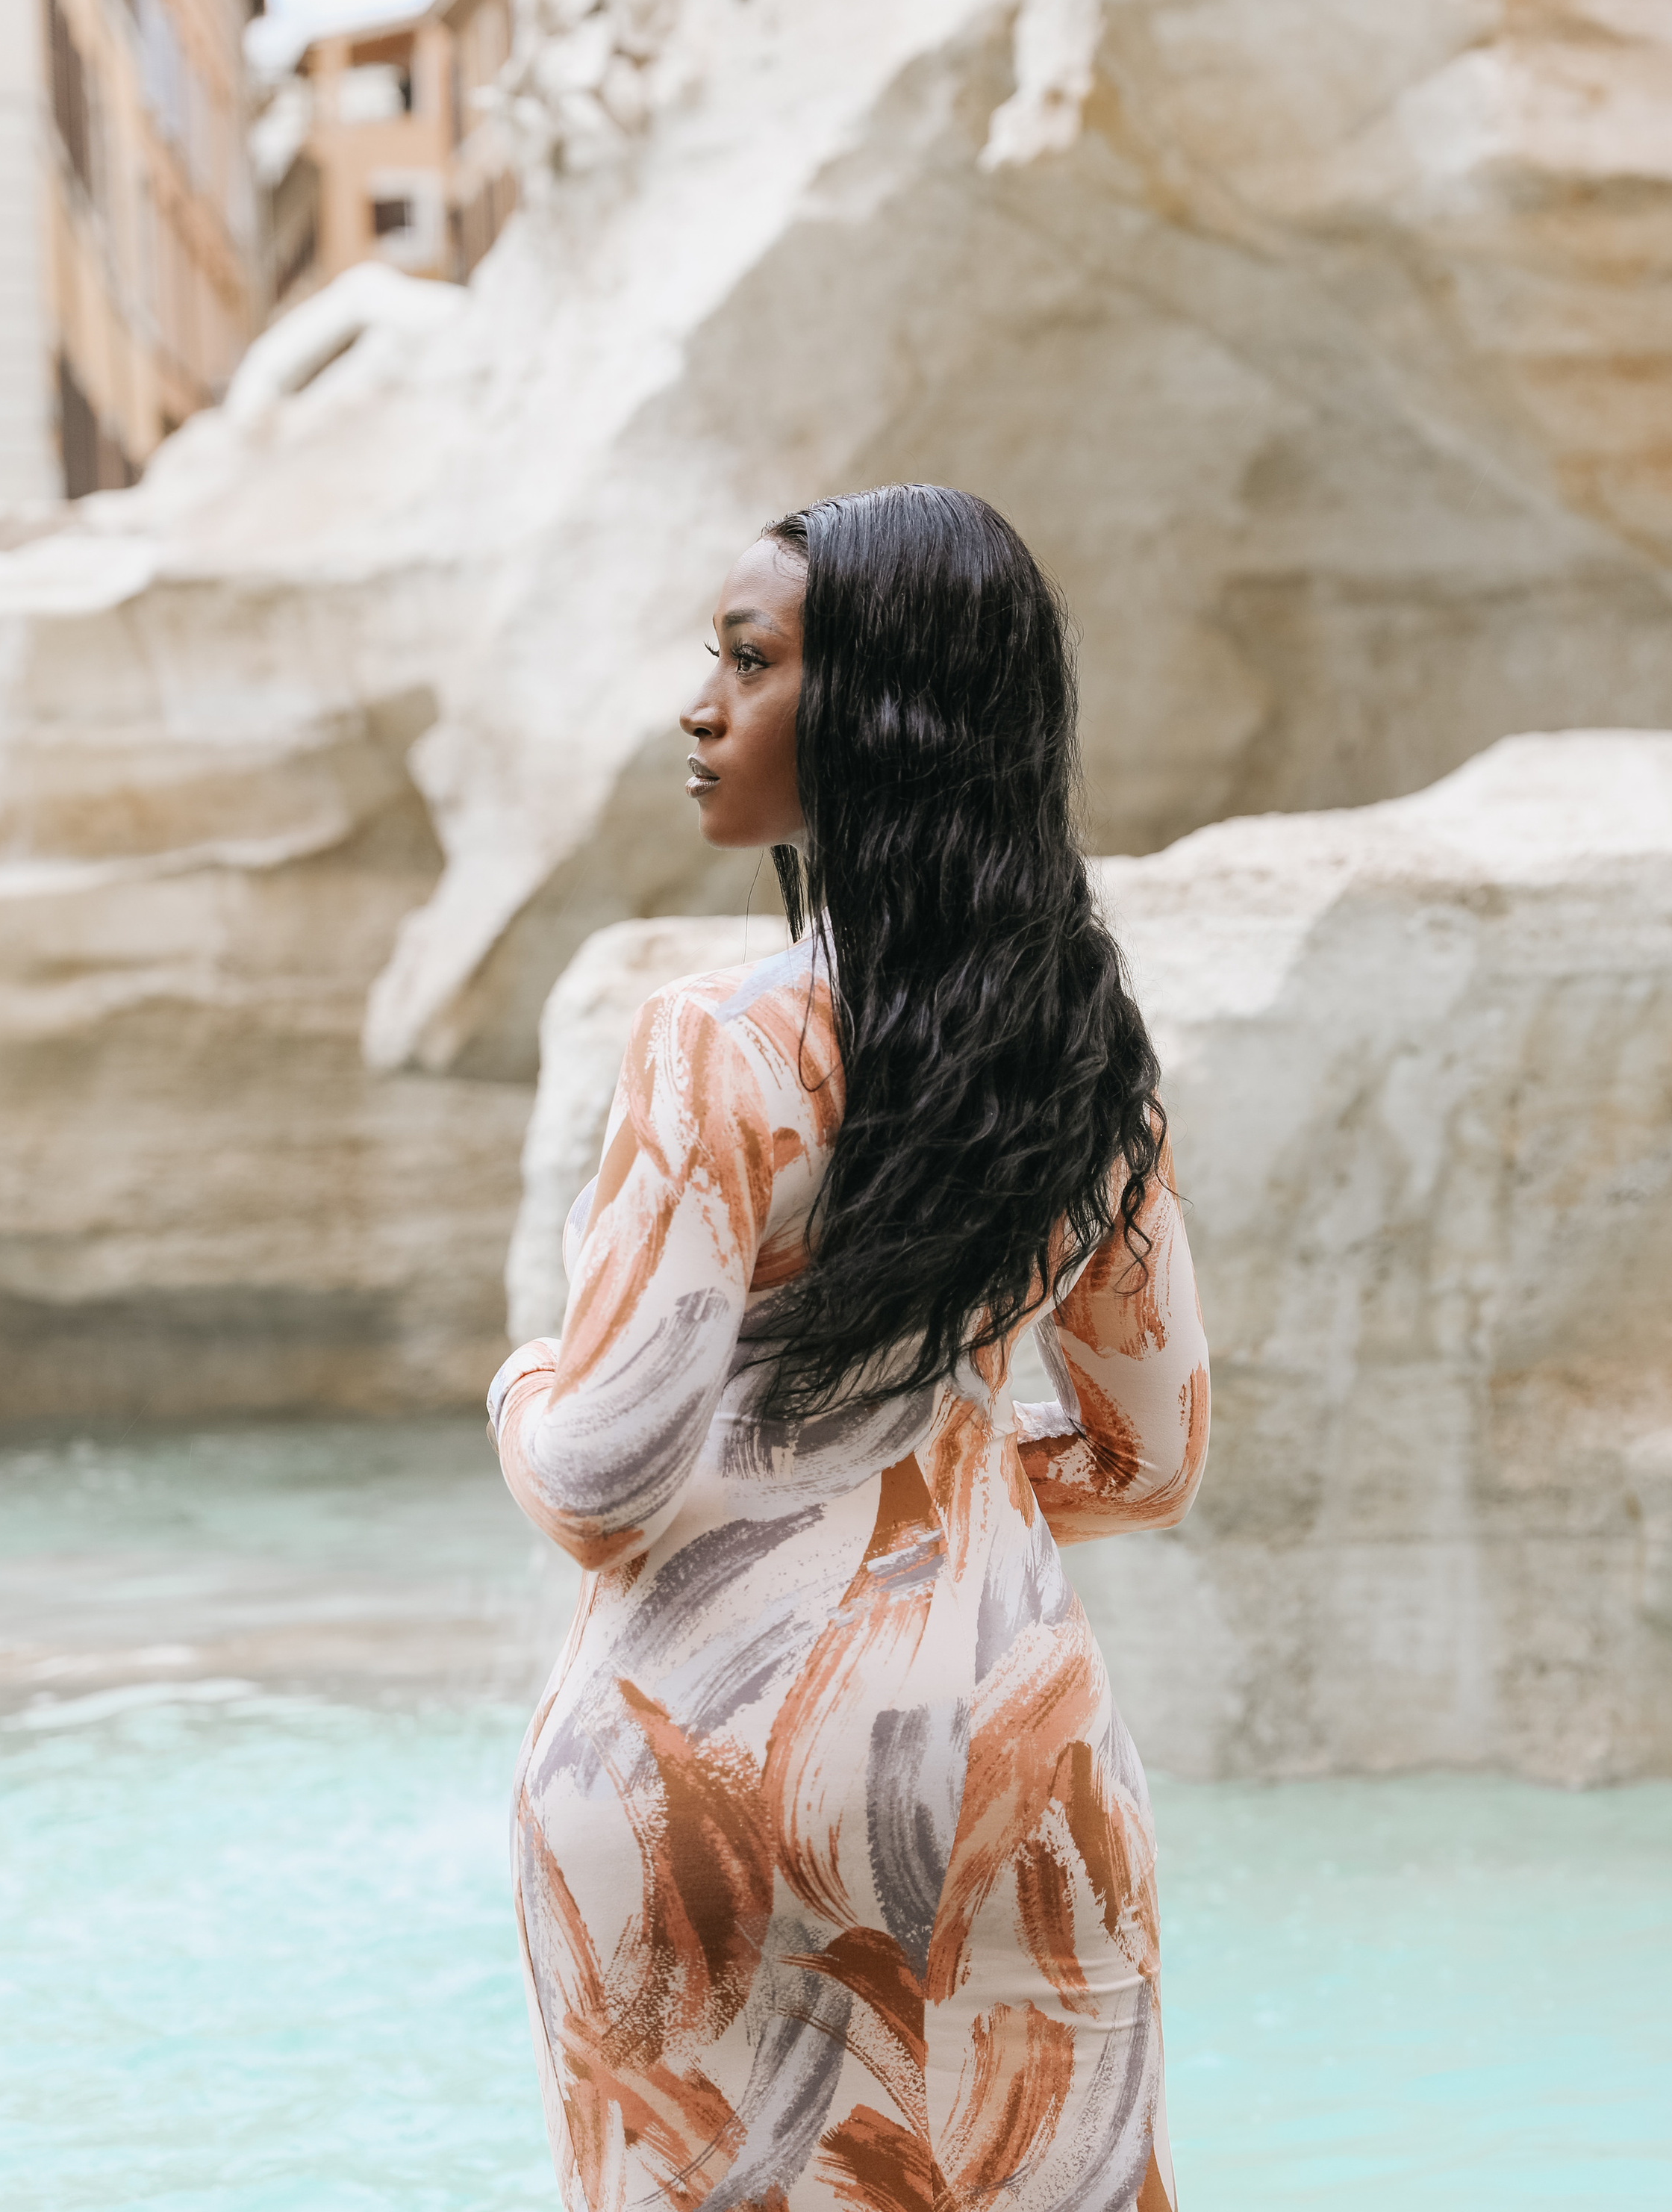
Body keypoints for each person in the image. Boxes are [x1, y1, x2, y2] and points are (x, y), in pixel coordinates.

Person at [489, 484, 1210, 2212]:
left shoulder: (713, 1046)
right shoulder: (1084, 1064)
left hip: (689, 1774)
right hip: (1000, 1763)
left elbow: (600, 1482)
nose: (700, 704)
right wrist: (929, 1470)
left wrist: (517, 1384)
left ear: (883, 711)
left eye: (750, 661)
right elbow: (1145, 1457)